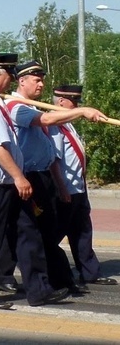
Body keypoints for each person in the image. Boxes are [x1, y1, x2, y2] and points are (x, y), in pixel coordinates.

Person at [0, 53, 67, 310]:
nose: (10, 81)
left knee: (28, 232)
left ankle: (38, 290)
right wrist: (18, 176)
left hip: (8, 180)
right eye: (9, 76)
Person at [5, 61, 107, 294]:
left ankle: (59, 280)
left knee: (46, 233)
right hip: (29, 177)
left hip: (43, 178)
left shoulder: (30, 106)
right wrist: (81, 112)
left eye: (42, 80)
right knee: (31, 235)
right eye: (36, 80)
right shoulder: (16, 106)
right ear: (21, 81)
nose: (41, 84)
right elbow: (46, 121)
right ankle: (33, 283)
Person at [51, 85, 117, 286]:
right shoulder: (55, 124)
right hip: (66, 189)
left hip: (78, 187)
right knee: (53, 234)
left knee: (82, 232)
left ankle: (89, 272)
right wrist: (61, 188)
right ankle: (46, 272)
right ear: (62, 101)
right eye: (74, 101)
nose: (77, 105)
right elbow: (54, 160)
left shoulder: (69, 123)